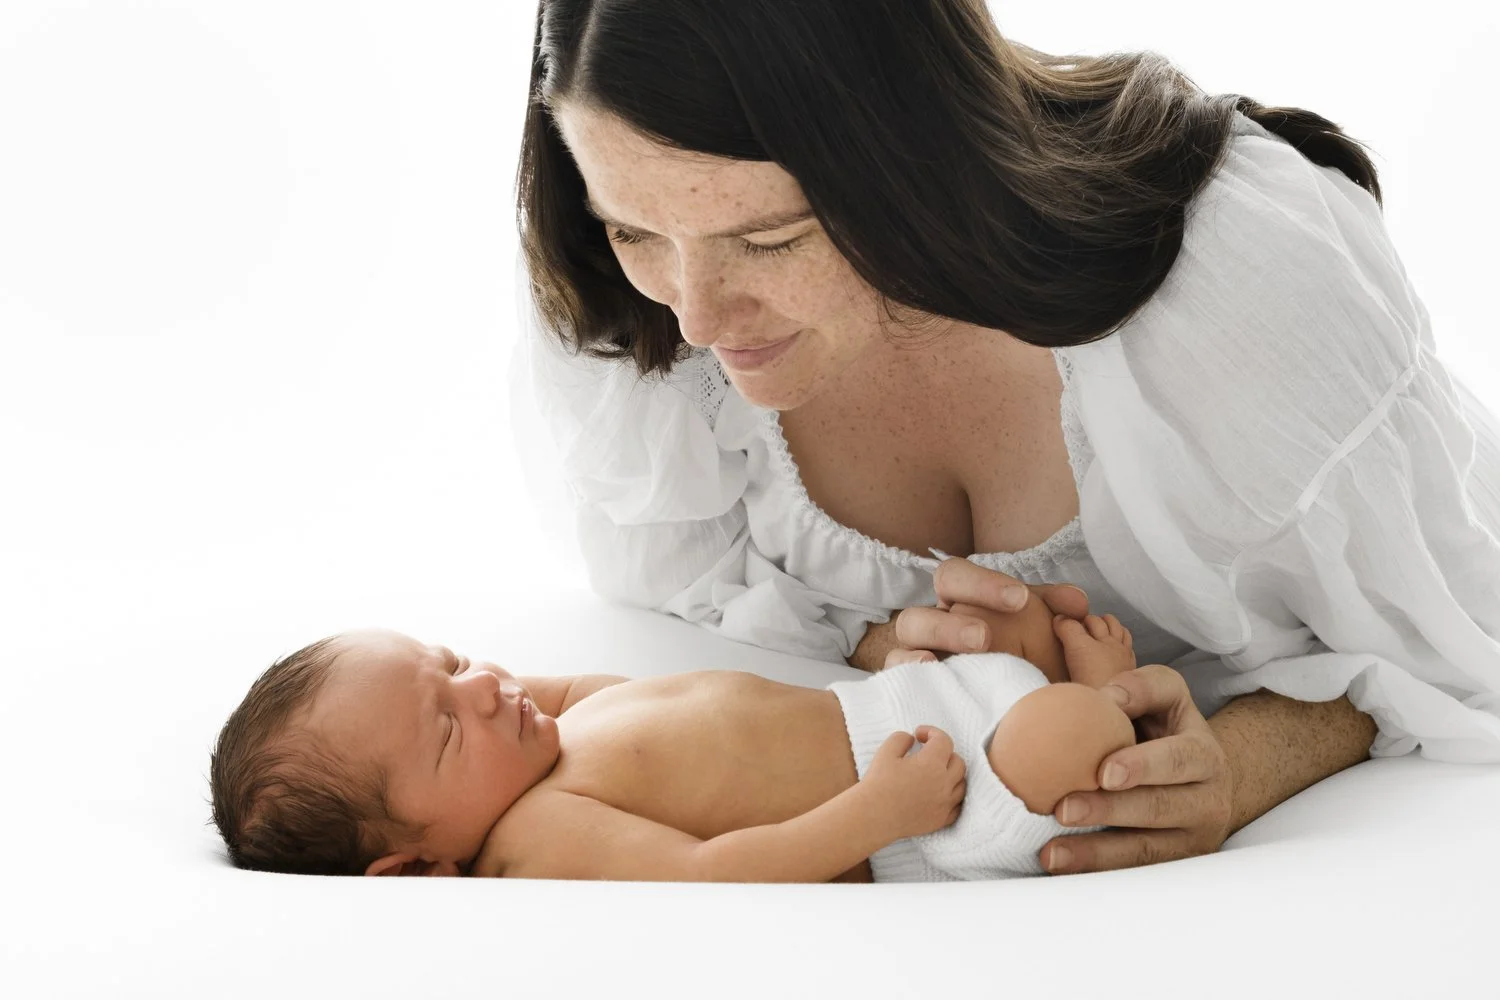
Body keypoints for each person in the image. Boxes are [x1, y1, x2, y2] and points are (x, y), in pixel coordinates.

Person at [509, 0, 1500, 875]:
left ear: (915, 153)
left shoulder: (1240, 297)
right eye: (631, 231)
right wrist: (885, 643)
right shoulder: (626, 315)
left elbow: (1455, 632)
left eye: (771, 239)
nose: (698, 319)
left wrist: (1234, 768)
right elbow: (676, 582)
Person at [210, 605, 1140, 881]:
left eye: (451, 660)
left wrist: (466, 704)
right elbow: (709, 875)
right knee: (1075, 735)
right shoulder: (540, 837)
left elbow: (549, 689)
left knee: (1016, 625)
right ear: (417, 868)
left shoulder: (551, 732)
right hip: (930, 817)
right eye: (448, 726)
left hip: (907, 706)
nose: (487, 686)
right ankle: (1104, 709)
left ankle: (1049, 691)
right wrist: (874, 813)